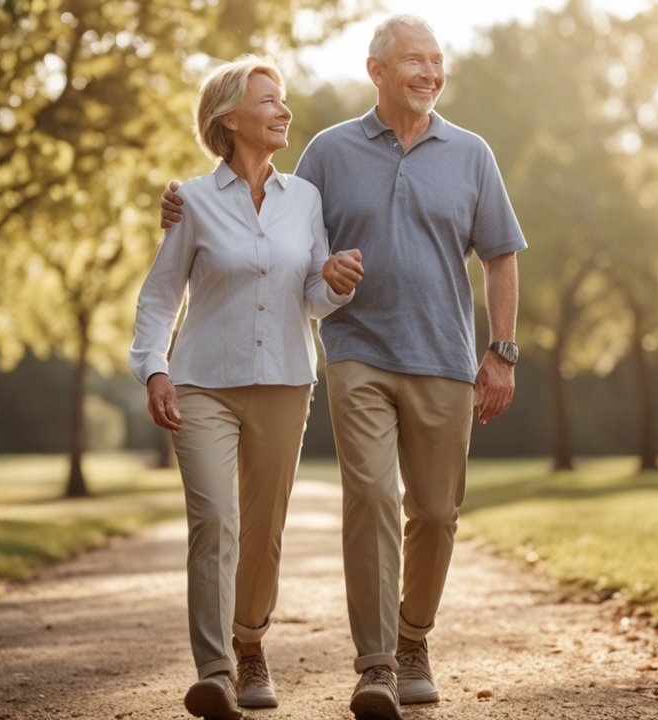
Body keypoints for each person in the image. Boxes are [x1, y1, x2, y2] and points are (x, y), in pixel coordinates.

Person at [163, 15, 525, 720]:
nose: (429, 72)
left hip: (445, 355)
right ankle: (378, 664)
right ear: (376, 71)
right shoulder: (329, 150)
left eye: (436, 60)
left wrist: (501, 351)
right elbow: (269, 213)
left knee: (437, 513)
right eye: (413, 60)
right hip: (356, 351)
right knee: (371, 498)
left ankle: (413, 637)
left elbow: (501, 256)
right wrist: (188, 202)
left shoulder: (471, 153)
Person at [130, 55, 362, 720]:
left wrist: (335, 282)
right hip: (202, 383)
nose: (284, 111)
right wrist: (154, 368)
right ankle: (216, 672)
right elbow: (160, 296)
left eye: (283, 99)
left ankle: (251, 642)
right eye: (269, 101)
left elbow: (312, 297)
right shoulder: (192, 201)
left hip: (286, 382)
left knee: (263, 531)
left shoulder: (305, 200)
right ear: (229, 118)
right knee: (216, 521)